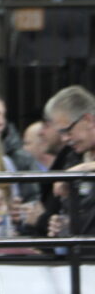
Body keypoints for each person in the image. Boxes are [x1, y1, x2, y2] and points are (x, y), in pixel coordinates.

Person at [38, 86, 95, 238]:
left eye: (68, 131)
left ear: (88, 120)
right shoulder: (72, 157)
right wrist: (64, 225)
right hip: (80, 256)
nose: (65, 139)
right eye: (61, 133)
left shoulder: (78, 165)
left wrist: (86, 168)